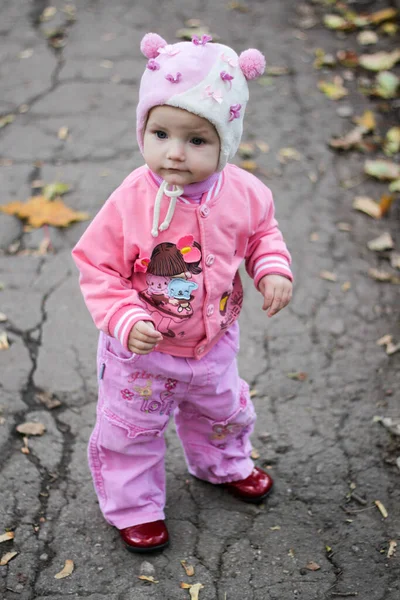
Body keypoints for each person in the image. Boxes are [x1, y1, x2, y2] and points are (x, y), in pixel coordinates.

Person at [72, 32, 293, 553]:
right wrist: (124, 319)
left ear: (226, 142)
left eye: (197, 140)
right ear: (143, 129)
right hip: (141, 353)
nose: (174, 153)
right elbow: (97, 264)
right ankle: (134, 506)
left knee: (222, 410)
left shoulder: (245, 193)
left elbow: (263, 233)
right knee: (130, 431)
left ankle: (222, 463)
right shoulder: (131, 199)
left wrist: (272, 269)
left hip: (214, 342)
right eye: (161, 133)